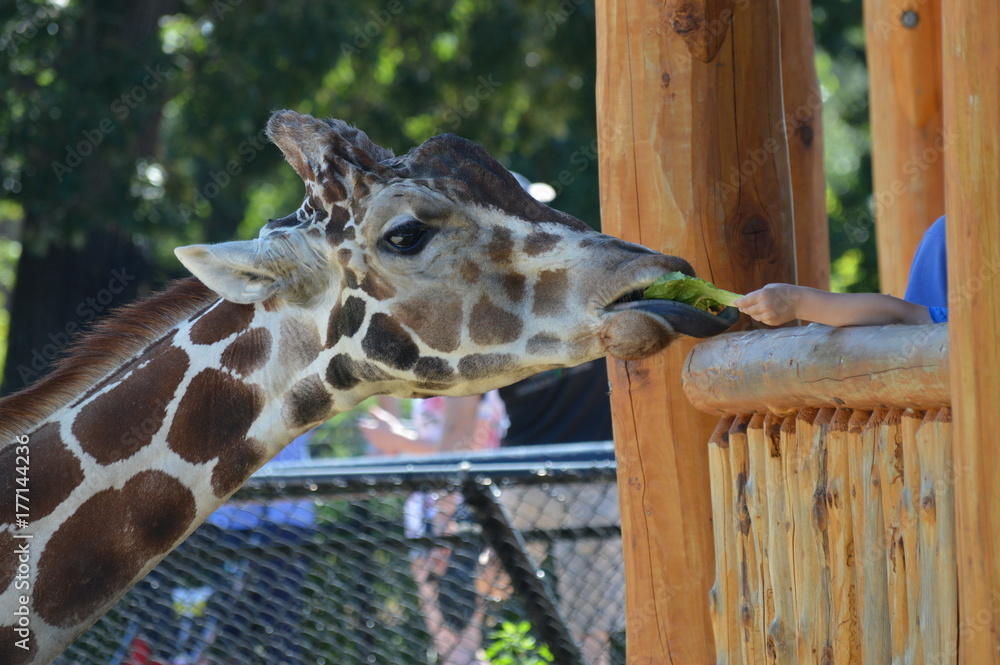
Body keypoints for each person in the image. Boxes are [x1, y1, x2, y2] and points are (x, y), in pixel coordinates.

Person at [360, 392, 508, 665]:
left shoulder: (466, 373)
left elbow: (466, 447)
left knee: (458, 643)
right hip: (430, 513)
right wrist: (390, 442)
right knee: (451, 645)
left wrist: (397, 439)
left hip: (460, 514)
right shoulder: (429, 378)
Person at [736, 216, 949, 327]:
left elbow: (908, 319)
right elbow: (914, 320)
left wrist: (798, 303)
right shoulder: (946, 233)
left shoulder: (948, 233)